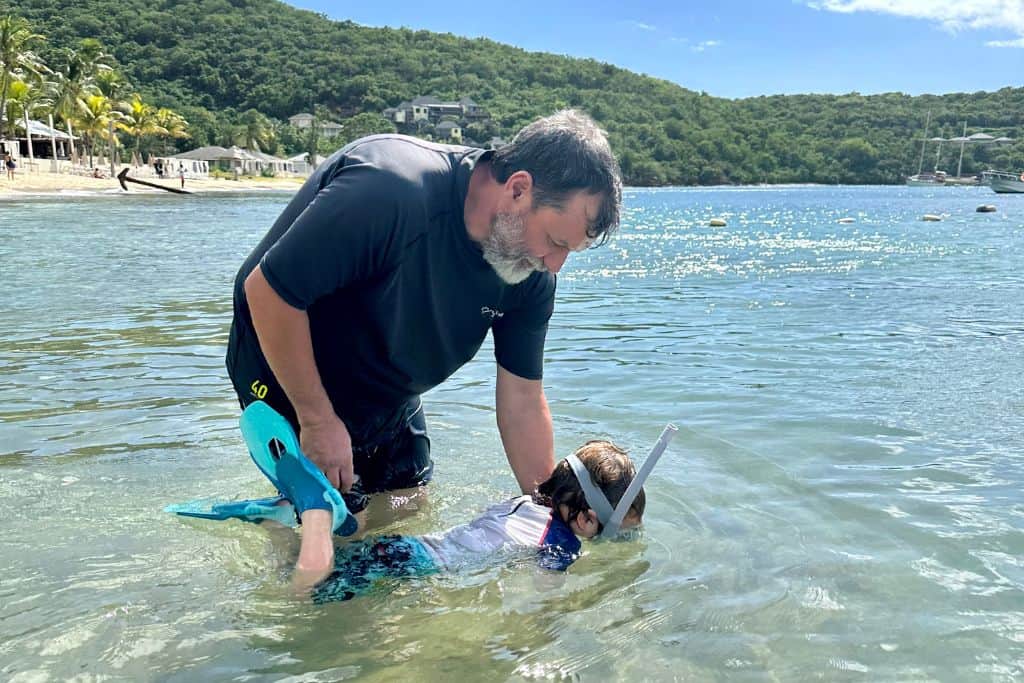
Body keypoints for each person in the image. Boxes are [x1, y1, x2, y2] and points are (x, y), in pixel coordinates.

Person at [225, 109, 622, 518]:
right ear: (518, 189)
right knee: (329, 528)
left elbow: (522, 399)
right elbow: (268, 291)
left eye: (567, 252)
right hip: (283, 366)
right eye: (555, 241)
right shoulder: (390, 190)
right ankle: (282, 528)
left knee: (407, 507)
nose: (554, 265)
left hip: (387, 386)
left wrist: (546, 515)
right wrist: (317, 420)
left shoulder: (531, 273)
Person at [308, 439, 645, 602]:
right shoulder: (563, 544)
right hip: (417, 567)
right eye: (611, 533)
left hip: (407, 548)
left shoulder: (524, 502)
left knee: (317, 575)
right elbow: (547, 594)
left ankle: (285, 527)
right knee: (311, 600)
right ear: (586, 520)